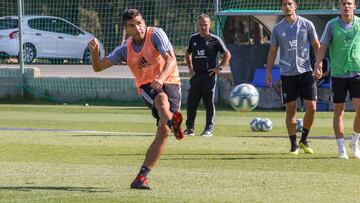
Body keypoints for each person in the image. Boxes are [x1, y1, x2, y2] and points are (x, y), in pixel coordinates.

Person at [88, 9, 184, 189]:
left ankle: (140, 178)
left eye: (139, 23)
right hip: (146, 87)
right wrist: (94, 53)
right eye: (132, 26)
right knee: (160, 100)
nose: (138, 28)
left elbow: (171, 60)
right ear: (126, 29)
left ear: (144, 22)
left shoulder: (156, 34)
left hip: (170, 79)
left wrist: (161, 78)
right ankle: (173, 123)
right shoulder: (125, 48)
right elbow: (99, 67)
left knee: (163, 134)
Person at [265, 0, 321, 155]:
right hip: (287, 75)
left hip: (306, 72)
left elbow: (316, 45)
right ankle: (293, 145)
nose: (287, 7)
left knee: (312, 108)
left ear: (295, 6)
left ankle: (304, 140)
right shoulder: (277, 28)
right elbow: (273, 51)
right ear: (281, 7)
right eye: (284, 4)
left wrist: (319, 65)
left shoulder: (307, 24)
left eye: (290, 4)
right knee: (291, 109)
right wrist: (268, 71)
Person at [315, 0, 360, 159]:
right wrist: (318, 63)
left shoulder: (359, 24)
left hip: (357, 73)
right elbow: (323, 46)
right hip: (338, 74)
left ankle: (354, 142)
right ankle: (341, 149)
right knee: (338, 111)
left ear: (355, 6)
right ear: (339, 7)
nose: (346, 6)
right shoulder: (331, 25)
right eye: (343, 4)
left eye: (349, 3)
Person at [183, 14, 231, 137]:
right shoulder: (193, 39)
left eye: (206, 24)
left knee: (208, 102)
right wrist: (190, 68)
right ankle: (190, 128)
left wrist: (219, 68)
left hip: (209, 76)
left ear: (210, 25)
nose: (203, 27)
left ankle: (208, 128)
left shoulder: (215, 39)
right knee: (191, 102)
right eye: (201, 24)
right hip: (196, 76)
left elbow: (227, 54)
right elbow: (188, 53)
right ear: (197, 25)